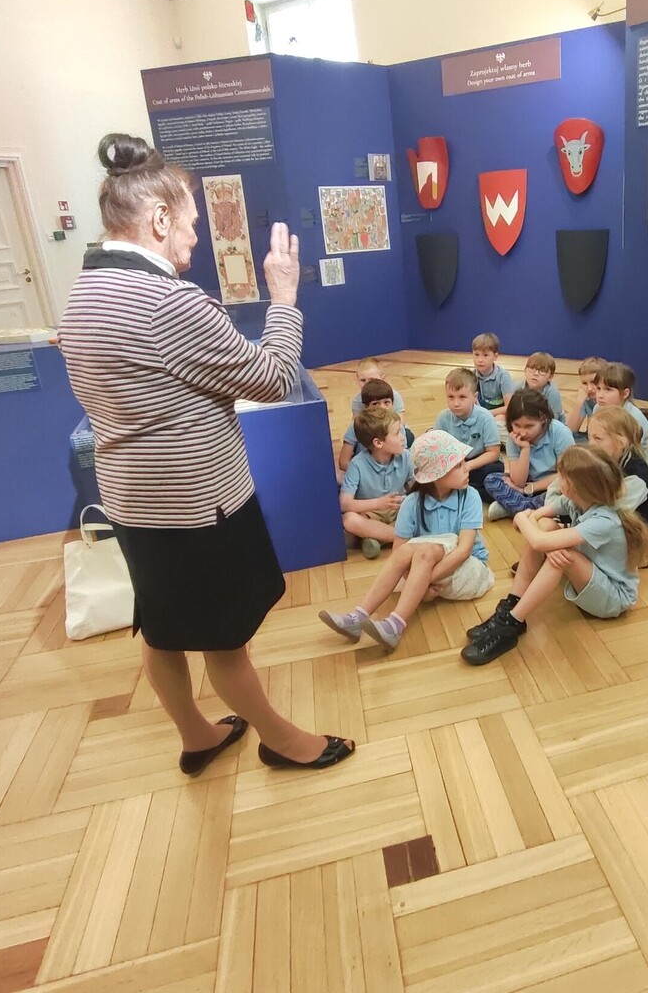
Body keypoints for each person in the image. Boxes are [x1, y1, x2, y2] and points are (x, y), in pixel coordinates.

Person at [59, 133, 353, 772]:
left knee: (162, 631)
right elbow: (274, 378)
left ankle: (196, 736)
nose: (196, 239)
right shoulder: (169, 301)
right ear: (160, 218)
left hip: (133, 505)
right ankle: (284, 742)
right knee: (225, 642)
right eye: (192, 223)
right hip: (198, 509)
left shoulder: (84, 289)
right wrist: (283, 297)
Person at [462, 446, 648, 665]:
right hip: (592, 576)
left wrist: (524, 519)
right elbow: (539, 519)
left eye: (561, 477)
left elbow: (536, 537)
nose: (556, 481)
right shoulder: (577, 502)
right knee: (547, 527)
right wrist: (532, 523)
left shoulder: (605, 520)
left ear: (574, 487)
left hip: (613, 596)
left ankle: (511, 624)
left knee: (563, 555)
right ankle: (512, 604)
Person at [319, 431, 494, 652]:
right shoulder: (412, 502)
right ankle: (358, 616)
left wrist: (425, 581)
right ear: (437, 474)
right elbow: (399, 552)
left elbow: (464, 550)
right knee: (410, 550)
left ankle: (395, 625)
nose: (467, 468)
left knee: (427, 547)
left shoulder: (470, 496)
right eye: (458, 465)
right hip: (432, 573)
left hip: (470, 573)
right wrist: (421, 582)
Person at [485, 389, 574, 520]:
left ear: (543, 419)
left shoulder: (560, 433)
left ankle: (514, 507)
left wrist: (530, 488)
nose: (522, 432)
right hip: (527, 484)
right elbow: (518, 482)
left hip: (554, 486)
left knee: (567, 494)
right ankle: (532, 510)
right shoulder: (513, 437)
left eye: (529, 426)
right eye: (517, 425)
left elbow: (566, 476)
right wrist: (525, 449)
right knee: (491, 479)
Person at [340, 406, 413, 558]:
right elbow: (345, 504)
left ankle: (377, 538)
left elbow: (416, 488)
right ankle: (403, 537)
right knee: (349, 519)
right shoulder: (357, 465)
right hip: (371, 513)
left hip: (399, 510)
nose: (403, 437)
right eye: (397, 433)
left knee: (424, 506)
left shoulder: (406, 457)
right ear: (378, 443)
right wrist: (379, 503)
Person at [586, 406, 648, 545]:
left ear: (621, 443)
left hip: (637, 542)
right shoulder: (602, 461)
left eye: (598, 438)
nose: (591, 444)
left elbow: (611, 515)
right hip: (605, 528)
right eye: (589, 437)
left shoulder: (638, 476)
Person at [433, 368, 502, 493]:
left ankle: (461, 489)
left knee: (493, 470)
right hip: (453, 463)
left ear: (474, 397)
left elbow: (493, 453)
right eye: (451, 397)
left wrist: (468, 466)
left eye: (462, 397)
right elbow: (437, 451)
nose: (456, 403)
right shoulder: (443, 418)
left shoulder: (485, 417)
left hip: (478, 462)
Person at [337, 377, 409, 475]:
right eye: (375, 404)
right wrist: (368, 475)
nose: (382, 407)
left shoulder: (397, 426)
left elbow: (403, 457)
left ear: (392, 404)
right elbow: (343, 463)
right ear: (366, 407)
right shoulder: (356, 426)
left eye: (386, 402)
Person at [593, 362, 648, 451]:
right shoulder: (598, 408)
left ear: (625, 394)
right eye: (598, 388)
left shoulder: (633, 419)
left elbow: (629, 452)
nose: (600, 395)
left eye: (608, 389)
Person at [472, 332, 515, 420]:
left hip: (497, 416)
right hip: (479, 415)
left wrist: (487, 414)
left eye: (485, 355)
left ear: (495, 356)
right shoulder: (471, 376)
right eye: (476, 354)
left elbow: (509, 407)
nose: (480, 360)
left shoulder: (503, 376)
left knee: (500, 418)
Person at [566, 356, 606, 442]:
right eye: (584, 383)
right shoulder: (587, 398)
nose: (589, 388)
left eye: (593, 382)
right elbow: (570, 431)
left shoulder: (611, 399)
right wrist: (579, 402)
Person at [516, 351, 564, 418]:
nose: (536, 373)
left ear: (550, 377)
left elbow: (553, 419)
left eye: (542, 371)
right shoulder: (518, 388)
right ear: (525, 370)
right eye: (532, 368)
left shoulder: (552, 393)